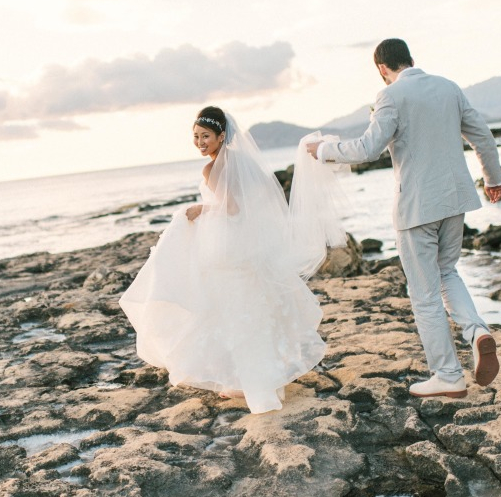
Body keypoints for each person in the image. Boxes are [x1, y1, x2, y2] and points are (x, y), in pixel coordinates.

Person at [306, 39, 501, 398]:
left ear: (382, 68)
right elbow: (482, 136)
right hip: (455, 200)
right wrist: (493, 179)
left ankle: (447, 375)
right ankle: (476, 332)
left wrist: (322, 150)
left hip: (416, 208)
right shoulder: (448, 87)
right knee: (448, 272)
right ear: (411, 59)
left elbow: (367, 149)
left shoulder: (391, 96)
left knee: (424, 294)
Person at [120, 106, 346, 414]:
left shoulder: (212, 169)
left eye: (206, 136)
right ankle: (266, 383)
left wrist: (202, 209)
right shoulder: (242, 162)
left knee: (237, 318)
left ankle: (257, 390)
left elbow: (231, 208)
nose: (200, 142)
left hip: (227, 252)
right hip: (251, 250)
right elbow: (256, 204)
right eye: (196, 137)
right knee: (255, 315)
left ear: (221, 136)